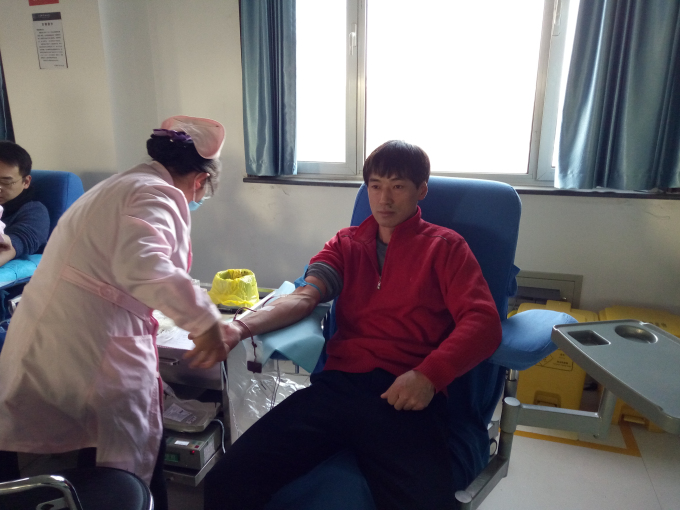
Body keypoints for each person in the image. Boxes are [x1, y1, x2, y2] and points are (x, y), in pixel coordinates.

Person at [197, 140, 503, 510]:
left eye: (397, 186)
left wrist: (429, 376)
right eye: (375, 186)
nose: (384, 199)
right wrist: (239, 328)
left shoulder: (445, 248)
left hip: (403, 395)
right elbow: (304, 297)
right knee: (228, 480)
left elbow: (483, 322)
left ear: (421, 190)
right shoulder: (347, 243)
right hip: (338, 389)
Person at [0, 116, 230, 510]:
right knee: (129, 455)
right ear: (201, 179)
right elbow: (144, 264)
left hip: (62, 339)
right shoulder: (155, 194)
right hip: (89, 348)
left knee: (103, 451)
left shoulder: (124, 183)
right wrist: (205, 321)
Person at [0, 141, 50, 266]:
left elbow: (16, 243)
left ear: (26, 182)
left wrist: (5, 240)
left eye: (6, 182)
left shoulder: (35, 212)